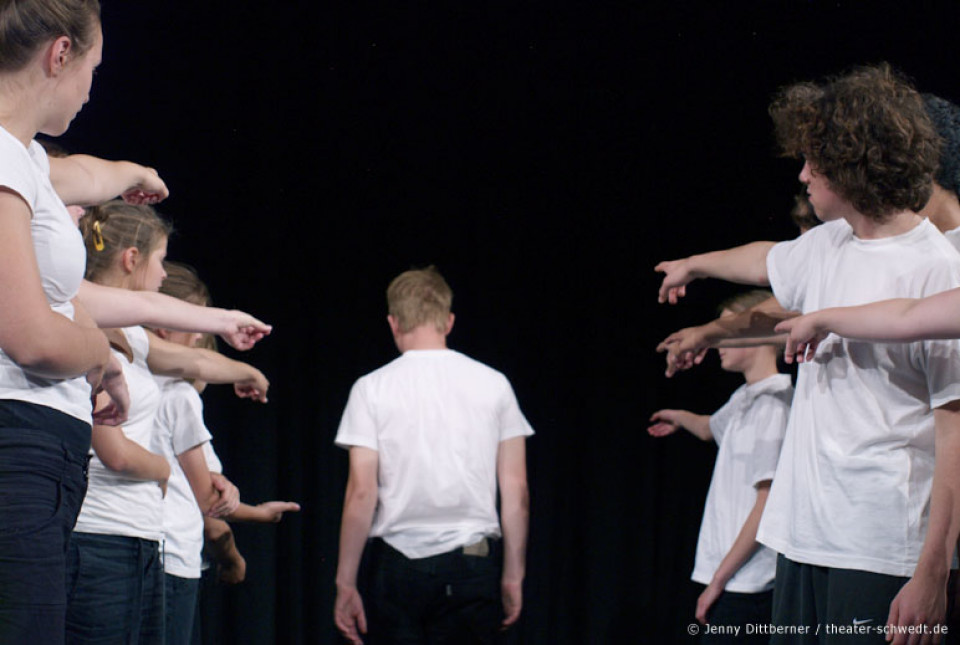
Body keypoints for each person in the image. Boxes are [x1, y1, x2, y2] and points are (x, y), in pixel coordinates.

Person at [657, 64, 960, 644]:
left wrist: (933, 571)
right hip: (801, 539)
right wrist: (694, 267)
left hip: (878, 549)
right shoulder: (827, 244)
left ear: (852, 162)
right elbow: (761, 259)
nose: (802, 175)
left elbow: (954, 430)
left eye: (812, 162)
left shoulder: (936, 269)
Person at [0, 2, 172, 641]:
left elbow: (87, 175)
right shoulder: (3, 156)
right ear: (60, 54)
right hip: (17, 447)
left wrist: (137, 174)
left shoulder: (24, 159)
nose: (91, 91)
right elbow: (32, 337)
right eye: (93, 70)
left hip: (34, 450)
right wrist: (102, 357)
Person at [65, 202, 269, 643]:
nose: (163, 274)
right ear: (131, 259)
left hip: (139, 536)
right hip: (99, 535)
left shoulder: (134, 335)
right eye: (159, 261)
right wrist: (163, 468)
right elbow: (114, 451)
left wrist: (249, 373)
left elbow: (193, 360)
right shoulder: (89, 328)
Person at [333, 266, 533, 645]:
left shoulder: (371, 388)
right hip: (473, 561)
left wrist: (345, 582)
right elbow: (516, 491)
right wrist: (513, 576)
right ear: (449, 321)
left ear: (393, 322)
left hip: (398, 566)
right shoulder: (494, 385)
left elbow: (361, 492)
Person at [151, 263, 299, 645]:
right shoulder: (179, 397)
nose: (201, 333)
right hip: (173, 559)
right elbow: (211, 511)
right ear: (164, 326)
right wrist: (234, 559)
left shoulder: (137, 381)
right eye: (194, 321)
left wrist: (257, 512)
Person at [649, 291, 791, 643]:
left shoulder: (772, 405)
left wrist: (719, 580)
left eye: (729, 330)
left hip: (749, 583)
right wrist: (680, 417)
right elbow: (710, 426)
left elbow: (767, 505)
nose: (717, 343)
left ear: (758, 335)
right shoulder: (745, 398)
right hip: (733, 579)